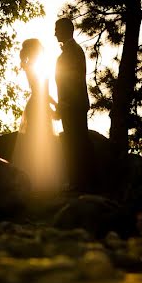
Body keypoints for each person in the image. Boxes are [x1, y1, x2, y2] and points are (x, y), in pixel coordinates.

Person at [14, 38, 61, 192]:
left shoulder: (31, 66)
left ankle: (36, 177)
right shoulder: (35, 67)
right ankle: (38, 179)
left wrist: (53, 104)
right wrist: (55, 106)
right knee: (39, 139)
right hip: (38, 106)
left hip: (37, 103)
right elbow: (42, 92)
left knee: (38, 140)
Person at [53, 17, 93, 190]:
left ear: (65, 30)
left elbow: (74, 80)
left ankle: (80, 182)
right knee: (73, 142)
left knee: (76, 143)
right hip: (70, 104)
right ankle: (78, 181)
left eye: (57, 29)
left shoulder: (73, 51)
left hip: (73, 105)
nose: (54, 33)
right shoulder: (69, 51)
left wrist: (65, 103)